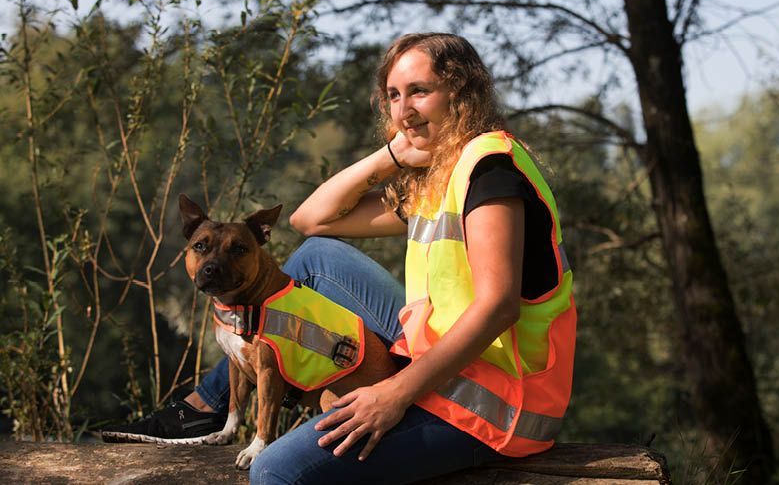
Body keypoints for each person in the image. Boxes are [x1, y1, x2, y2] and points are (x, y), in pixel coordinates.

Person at [103, 33, 576, 484]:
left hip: (492, 404)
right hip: (438, 358)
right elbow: (311, 220)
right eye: (392, 95)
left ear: (461, 92)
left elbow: (498, 308)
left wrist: (392, 394)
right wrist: (391, 153)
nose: (403, 110)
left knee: (276, 471)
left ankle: (224, 399)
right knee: (316, 257)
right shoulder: (441, 178)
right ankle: (223, 399)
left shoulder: (490, 170)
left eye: (419, 91)